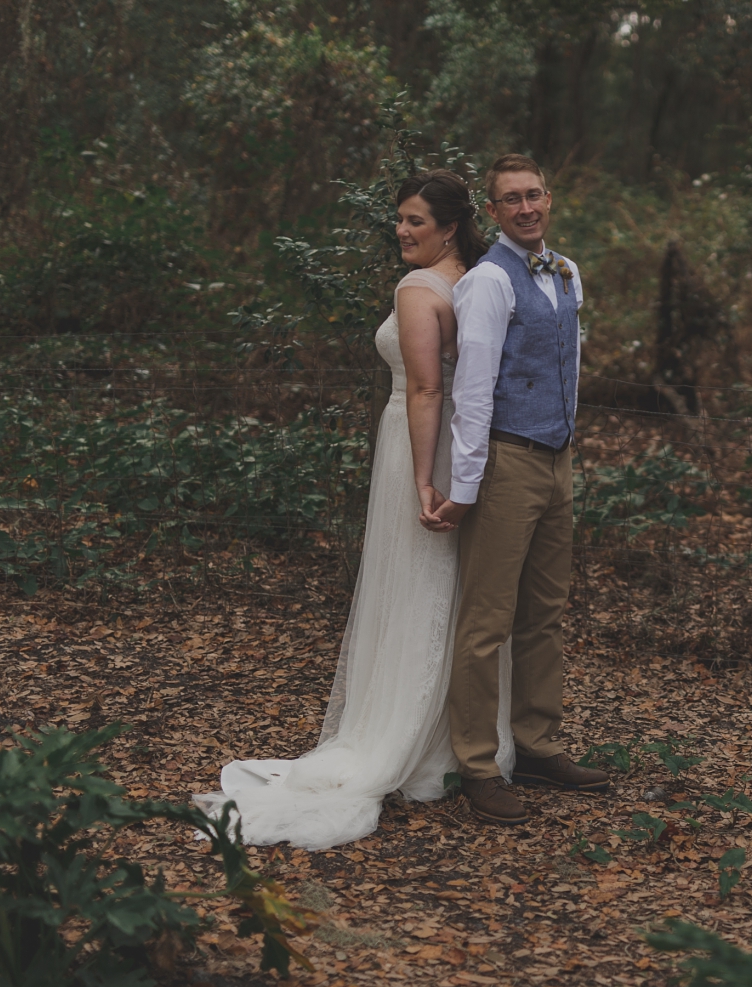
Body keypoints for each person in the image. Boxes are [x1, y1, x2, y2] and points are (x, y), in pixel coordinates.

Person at [194, 170, 517, 850]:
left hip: (419, 446)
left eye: (414, 221)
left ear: (449, 226)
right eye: (398, 220)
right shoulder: (484, 281)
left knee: (415, 586)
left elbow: (427, 388)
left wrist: (425, 480)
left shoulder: (418, 288)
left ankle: (400, 734)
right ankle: (457, 741)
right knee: (457, 589)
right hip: (469, 443)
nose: (401, 231)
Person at [430, 154, 609, 825]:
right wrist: (468, 485)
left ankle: (537, 744)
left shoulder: (565, 272)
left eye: (535, 194)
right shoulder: (487, 283)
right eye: (512, 199)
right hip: (505, 462)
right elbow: (472, 391)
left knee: (545, 611)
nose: (527, 208)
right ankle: (477, 764)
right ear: (495, 210)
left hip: (555, 459)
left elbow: (566, 362)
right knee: (486, 621)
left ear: (549, 197)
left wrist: (568, 437)